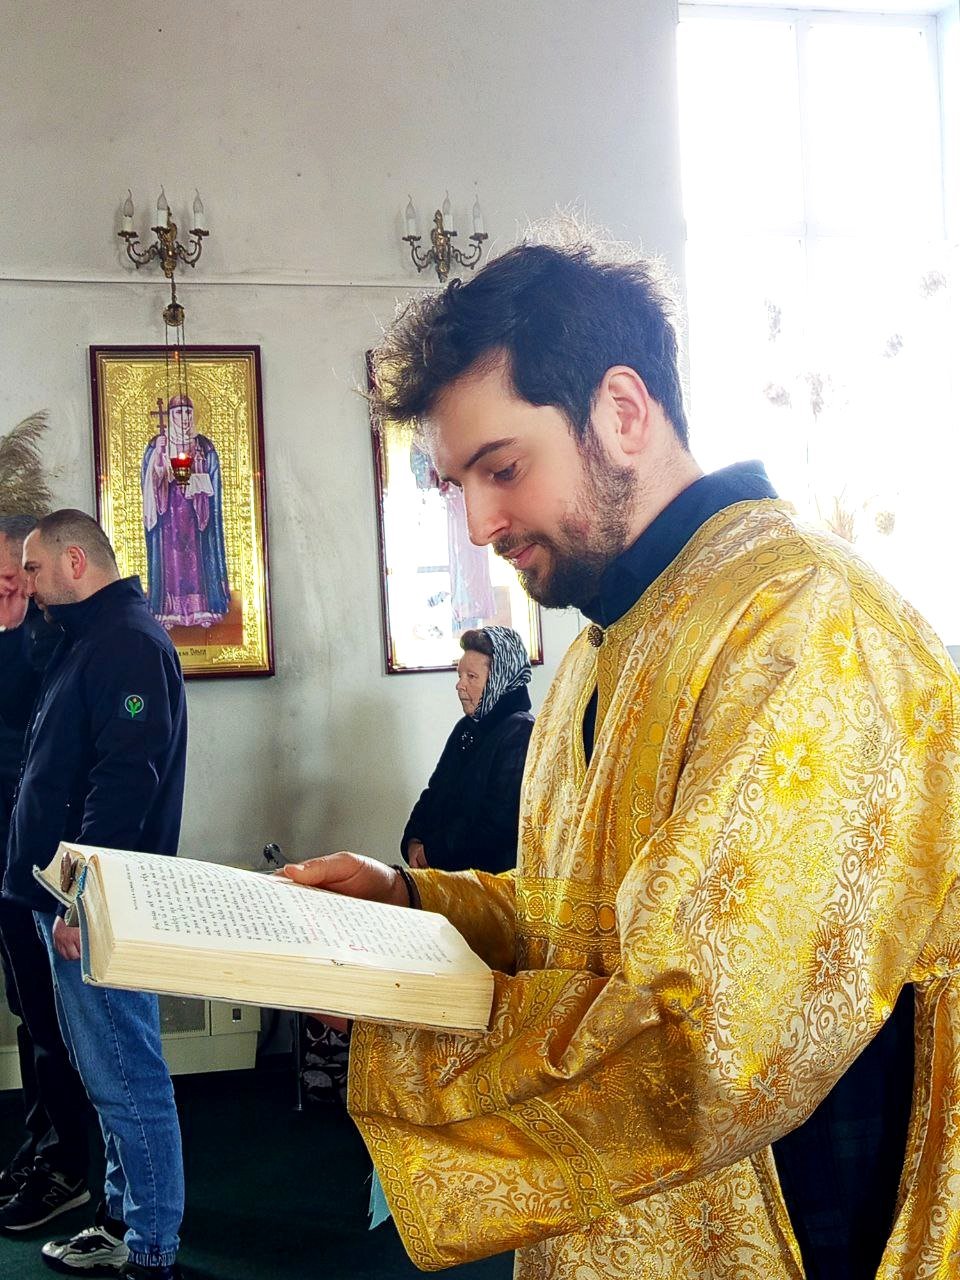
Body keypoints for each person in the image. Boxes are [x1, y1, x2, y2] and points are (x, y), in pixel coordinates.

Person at [282, 242, 960, 1280]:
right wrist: (411, 898)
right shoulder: (606, 640)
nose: (480, 523)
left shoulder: (807, 626)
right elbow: (582, 916)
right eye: (457, 485)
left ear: (624, 412)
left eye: (503, 469)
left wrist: (405, 1039)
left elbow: (704, 1039)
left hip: (789, 1222)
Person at [2, 509, 187, 1280]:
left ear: (74, 562)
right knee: (109, 1078)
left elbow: (124, 784)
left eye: (34, 569)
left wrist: (80, 899)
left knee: (127, 1078)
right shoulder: (89, 638)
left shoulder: (127, 644)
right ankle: (122, 1223)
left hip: (98, 907)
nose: (28, 585)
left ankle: (149, 1246)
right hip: (68, 901)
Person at [0, 515, 92, 1214]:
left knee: (53, 1020)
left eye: (14, 577)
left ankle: (67, 1165)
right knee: (27, 1012)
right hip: (8, 861)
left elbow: (42, 751)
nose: (10, 590)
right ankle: (42, 1146)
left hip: (43, 864)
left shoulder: (54, 640)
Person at [402, 626, 534, 873]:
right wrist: (413, 840)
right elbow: (434, 791)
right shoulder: (467, 726)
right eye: (460, 675)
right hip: (445, 873)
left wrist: (431, 853)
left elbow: (497, 826)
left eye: (471, 677)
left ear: (500, 680)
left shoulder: (520, 731)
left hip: (488, 883)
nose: (459, 685)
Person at [141, 392, 229, 629]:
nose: (184, 417)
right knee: (171, 561)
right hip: (168, 516)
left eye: (188, 412)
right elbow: (150, 480)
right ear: (170, 415)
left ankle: (202, 609)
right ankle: (170, 611)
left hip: (196, 514)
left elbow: (214, 478)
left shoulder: (203, 445)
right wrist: (159, 457)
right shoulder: (158, 443)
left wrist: (199, 478)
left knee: (197, 561)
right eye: (179, 412)